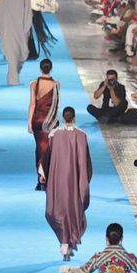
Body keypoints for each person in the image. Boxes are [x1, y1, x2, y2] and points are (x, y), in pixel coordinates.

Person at [45, 107, 92, 260]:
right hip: (75, 179)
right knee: (73, 208)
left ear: (63, 117)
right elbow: (86, 163)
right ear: (74, 117)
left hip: (57, 179)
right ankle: (69, 241)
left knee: (59, 210)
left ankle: (64, 241)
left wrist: (44, 177)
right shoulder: (82, 135)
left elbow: (46, 159)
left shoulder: (54, 135)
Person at [28, 59, 60, 190]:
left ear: (40, 69)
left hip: (38, 121)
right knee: (50, 149)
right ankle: (48, 177)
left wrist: (29, 122)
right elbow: (56, 105)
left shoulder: (34, 84)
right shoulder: (56, 84)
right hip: (51, 121)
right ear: (51, 69)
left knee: (39, 148)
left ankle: (40, 178)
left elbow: (32, 104)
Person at [0, 0, 31, 86]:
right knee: (18, 54)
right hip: (20, 29)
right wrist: (27, 28)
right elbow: (28, 13)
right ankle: (14, 80)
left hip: (9, 29)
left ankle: (12, 76)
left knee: (16, 54)